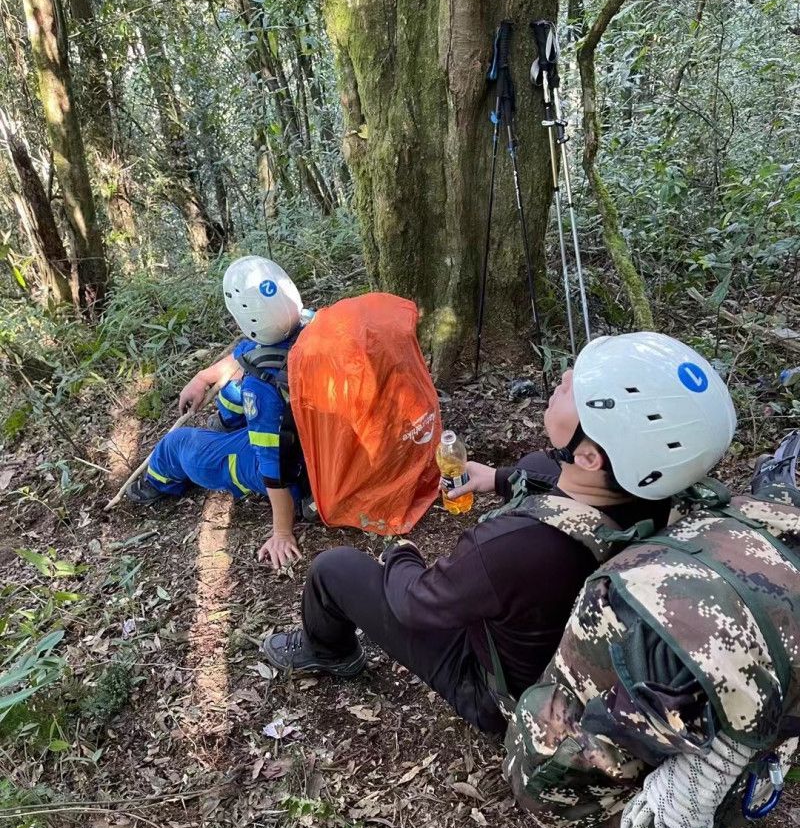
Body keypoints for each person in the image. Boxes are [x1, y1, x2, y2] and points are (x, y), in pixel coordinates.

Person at [260, 333, 737, 732]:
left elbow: (415, 603)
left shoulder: (515, 547)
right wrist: (496, 479)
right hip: (567, 652)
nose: (565, 379)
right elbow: (543, 469)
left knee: (334, 568)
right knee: (529, 467)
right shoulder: (659, 491)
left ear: (590, 457)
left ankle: (326, 651)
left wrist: (402, 554)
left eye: (578, 392)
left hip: (499, 692)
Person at [126, 256, 310, 569]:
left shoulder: (262, 388)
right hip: (322, 440)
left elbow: (273, 467)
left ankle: (157, 484)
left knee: (177, 445)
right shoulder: (314, 322)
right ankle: (227, 425)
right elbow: (249, 356)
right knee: (231, 388)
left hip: (297, 469)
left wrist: (281, 531)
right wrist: (203, 377)